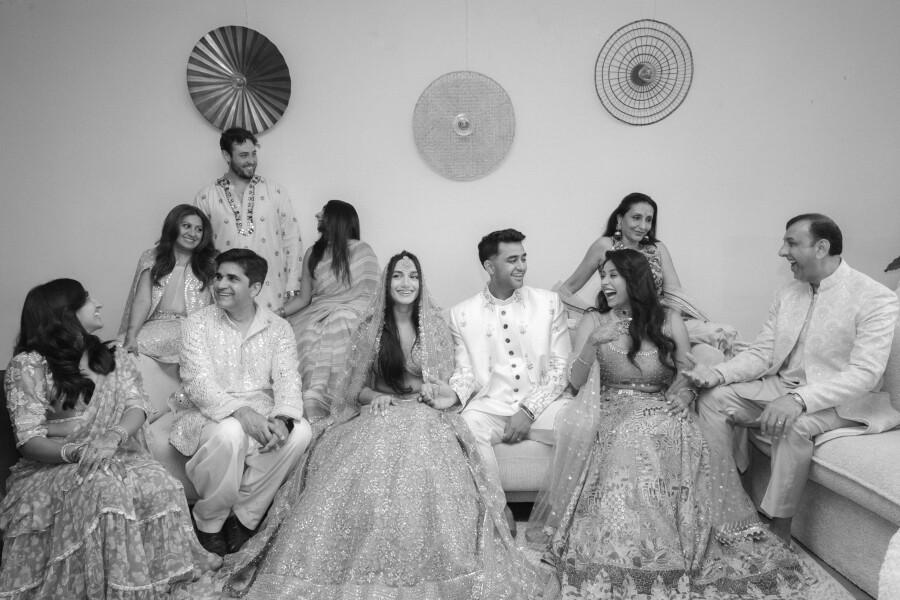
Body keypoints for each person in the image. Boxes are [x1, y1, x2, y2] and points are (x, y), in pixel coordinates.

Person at [217, 251, 544, 599]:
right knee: (362, 463)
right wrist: (375, 397)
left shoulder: (434, 325)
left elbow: (448, 382)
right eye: (398, 276)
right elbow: (356, 390)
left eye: (413, 276)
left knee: (426, 457)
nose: (406, 283)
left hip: (423, 413)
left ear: (421, 283)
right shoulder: (370, 326)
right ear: (387, 283)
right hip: (380, 411)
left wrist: (436, 391)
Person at [527, 249, 808, 598]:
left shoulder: (669, 320)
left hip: (661, 406)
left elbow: (687, 372)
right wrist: (590, 344)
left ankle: (678, 539)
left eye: (613, 275)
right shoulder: (594, 320)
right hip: (614, 409)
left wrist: (686, 396)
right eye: (603, 275)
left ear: (635, 280)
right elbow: (576, 382)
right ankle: (635, 549)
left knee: (682, 434)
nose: (605, 283)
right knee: (634, 437)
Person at [685, 213, 900, 543]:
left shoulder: (875, 297)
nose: (782, 252)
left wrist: (799, 400)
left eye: (791, 243)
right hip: (782, 386)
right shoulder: (787, 294)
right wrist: (717, 373)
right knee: (714, 399)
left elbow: (865, 373)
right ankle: (727, 505)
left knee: (793, 423)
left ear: (821, 248)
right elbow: (763, 353)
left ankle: (780, 530)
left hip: (845, 400)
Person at [1, 279, 220, 598]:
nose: (98, 303)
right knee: (106, 490)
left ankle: (157, 581)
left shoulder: (107, 356)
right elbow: (28, 439)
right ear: (66, 313)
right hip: (55, 465)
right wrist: (78, 452)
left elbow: (137, 405)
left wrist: (113, 436)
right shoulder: (29, 365)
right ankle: (112, 588)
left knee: (161, 483)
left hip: (114, 453)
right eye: (87, 299)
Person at [168, 249, 312, 556]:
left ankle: (244, 519)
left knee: (301, 432)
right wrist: (241, 413)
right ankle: (209, 522)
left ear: (255, 287)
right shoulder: (196, 324)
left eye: (233, 278)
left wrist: (283, 419)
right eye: (219, 276)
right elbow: (197, 382)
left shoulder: (279, 327)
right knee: (231, 432)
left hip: (261, 410)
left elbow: (288, 378)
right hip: (205, 413)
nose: (221, 284)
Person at [448, 229, 571, 534]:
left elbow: (560, 369)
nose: (522, 266)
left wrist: (528, 411)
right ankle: (498, 508)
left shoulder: (549, 303)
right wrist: (450, 395)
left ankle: (566, 514)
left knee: (579, 424)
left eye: (523, 258)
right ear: (490, 267)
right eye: (512, 260)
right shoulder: (461, 314)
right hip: (492, 405)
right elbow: (465, 373)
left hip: (543, 404)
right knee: (465, 425)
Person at [559, 192, 743, 357]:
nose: (643, 225)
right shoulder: (605, 246)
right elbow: (568, 288)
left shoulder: (658, 249)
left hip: (658, 319)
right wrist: (589, 316)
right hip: (621, 320)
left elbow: (675, 296)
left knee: (725, 333)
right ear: (620, 219)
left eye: (648, 220)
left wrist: (667, 323)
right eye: (636, 218)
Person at [194, 127, 303, 315]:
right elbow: (200, 250)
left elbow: (292, 240)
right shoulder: (206, 197)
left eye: (254, 154)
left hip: (272, 291)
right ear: (226, 156)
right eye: (244, 155)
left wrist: (293, 287)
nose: (251, 160)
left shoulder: (275, 191)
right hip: (226, 293)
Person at [287, 200, 379, 416]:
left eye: (324, 211)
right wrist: (276, 314)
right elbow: (304, 298)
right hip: (318, 313)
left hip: (355, 313)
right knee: (309, 334)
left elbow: (373, 294)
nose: (317, 214)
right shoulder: (313, 253)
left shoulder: (362, 250)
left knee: (341, 319)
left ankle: (340, 398)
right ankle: (314, 400)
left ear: (338, 217)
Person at [117, 204, 216, 405]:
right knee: (116, 346)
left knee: (115, 348)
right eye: (186, 226)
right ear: (173, 226)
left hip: (190, 329)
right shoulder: (151, 257)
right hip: (155, 323)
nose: (192, 233)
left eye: (199, 229)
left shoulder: (212, 262)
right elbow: (143, 299)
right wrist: (131, 335)